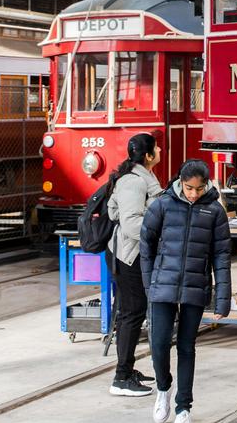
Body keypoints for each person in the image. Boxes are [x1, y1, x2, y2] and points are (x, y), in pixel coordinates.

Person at [141, 160, 231, 423]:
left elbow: (222, 256)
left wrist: (222, 300)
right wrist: (150, 285)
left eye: (199, 189)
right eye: (189, 188)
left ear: (206, 185)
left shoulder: (214, 211)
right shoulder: (161, 205)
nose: (193, 194)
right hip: (162, 286)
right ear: (180, 181)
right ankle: (163, 388)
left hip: (195, 287)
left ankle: (184, 407)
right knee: (158, 345)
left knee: (186, 347)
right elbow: (146, 246)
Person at [106, 133, 163, 397]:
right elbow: (131, 225)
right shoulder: (133, 181)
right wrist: (160, 234)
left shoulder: (144, 176)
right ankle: (121, 377)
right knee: (131, 312)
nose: (160, 150)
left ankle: (128, 369)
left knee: (135, 311)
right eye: (156, 148)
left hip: (136, 254)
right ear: (148, 155)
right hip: (128, 256)